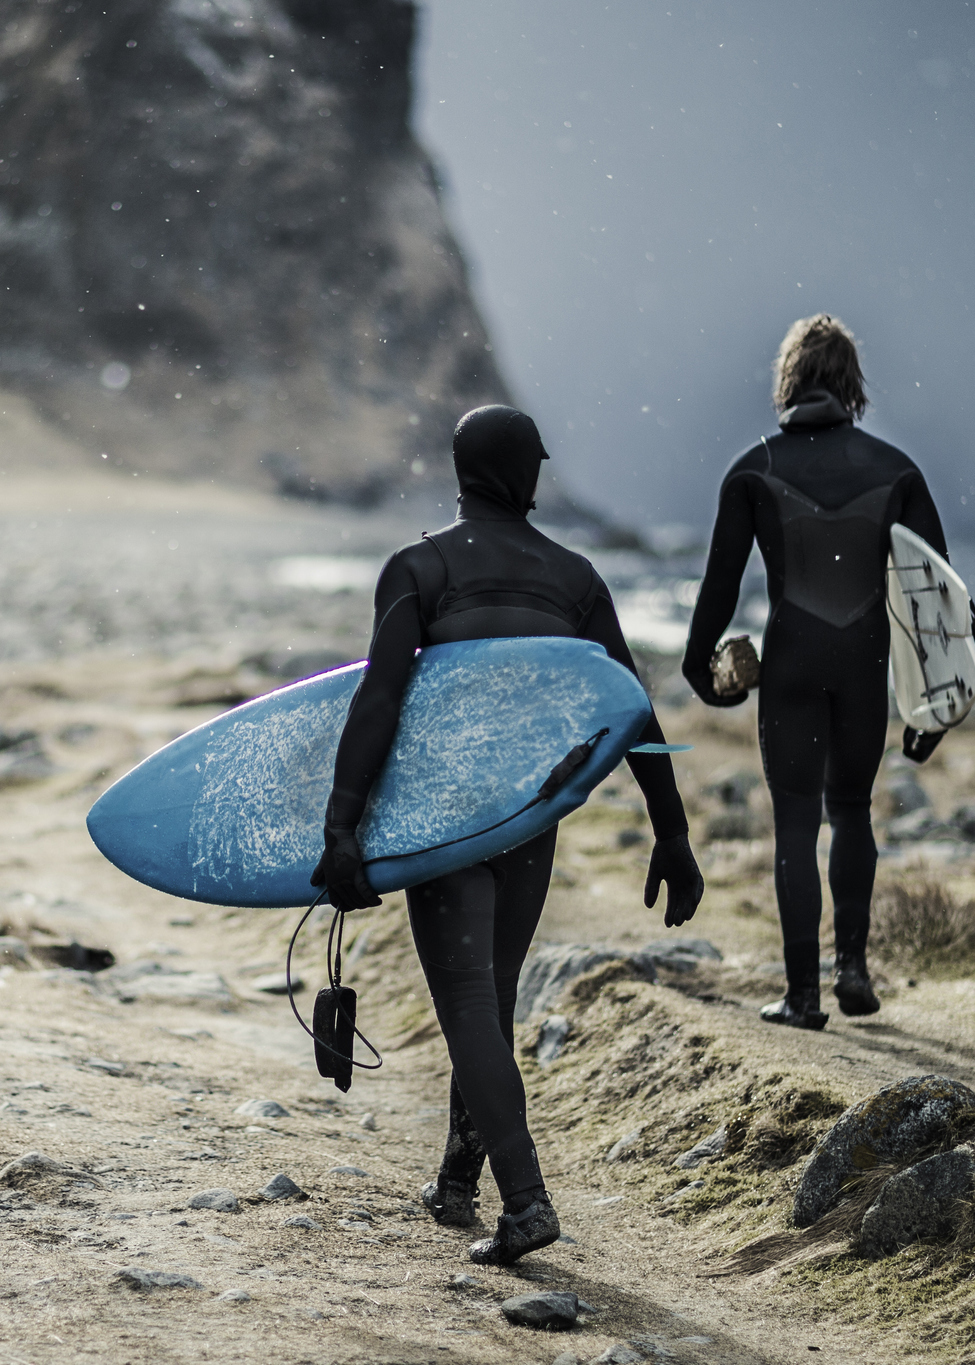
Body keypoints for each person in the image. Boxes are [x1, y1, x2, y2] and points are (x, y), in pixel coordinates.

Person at [312, 404, 703, 1266]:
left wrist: (343, 827)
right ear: (526, 474)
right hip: (528, 822)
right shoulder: (574, 577)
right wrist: (670, 832)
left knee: (468, 1009)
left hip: (446, 818)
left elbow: (378, 701)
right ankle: (457, 1179)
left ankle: (524, 1201)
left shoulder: (419, 565)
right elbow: (629, 710)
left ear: (459, 472)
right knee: (486, 1002)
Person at [681, 314, 961, 1030]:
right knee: (852, 812)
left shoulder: (753, 469)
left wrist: (701, 670)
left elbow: (717, 590)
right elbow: (943, 603)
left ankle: (802, 996)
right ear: (852, 385)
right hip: (862, 667)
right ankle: (854, 968)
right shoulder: (896, 471)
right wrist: (938, 708)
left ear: (787, 379)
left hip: (791, 665)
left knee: (796, 825)